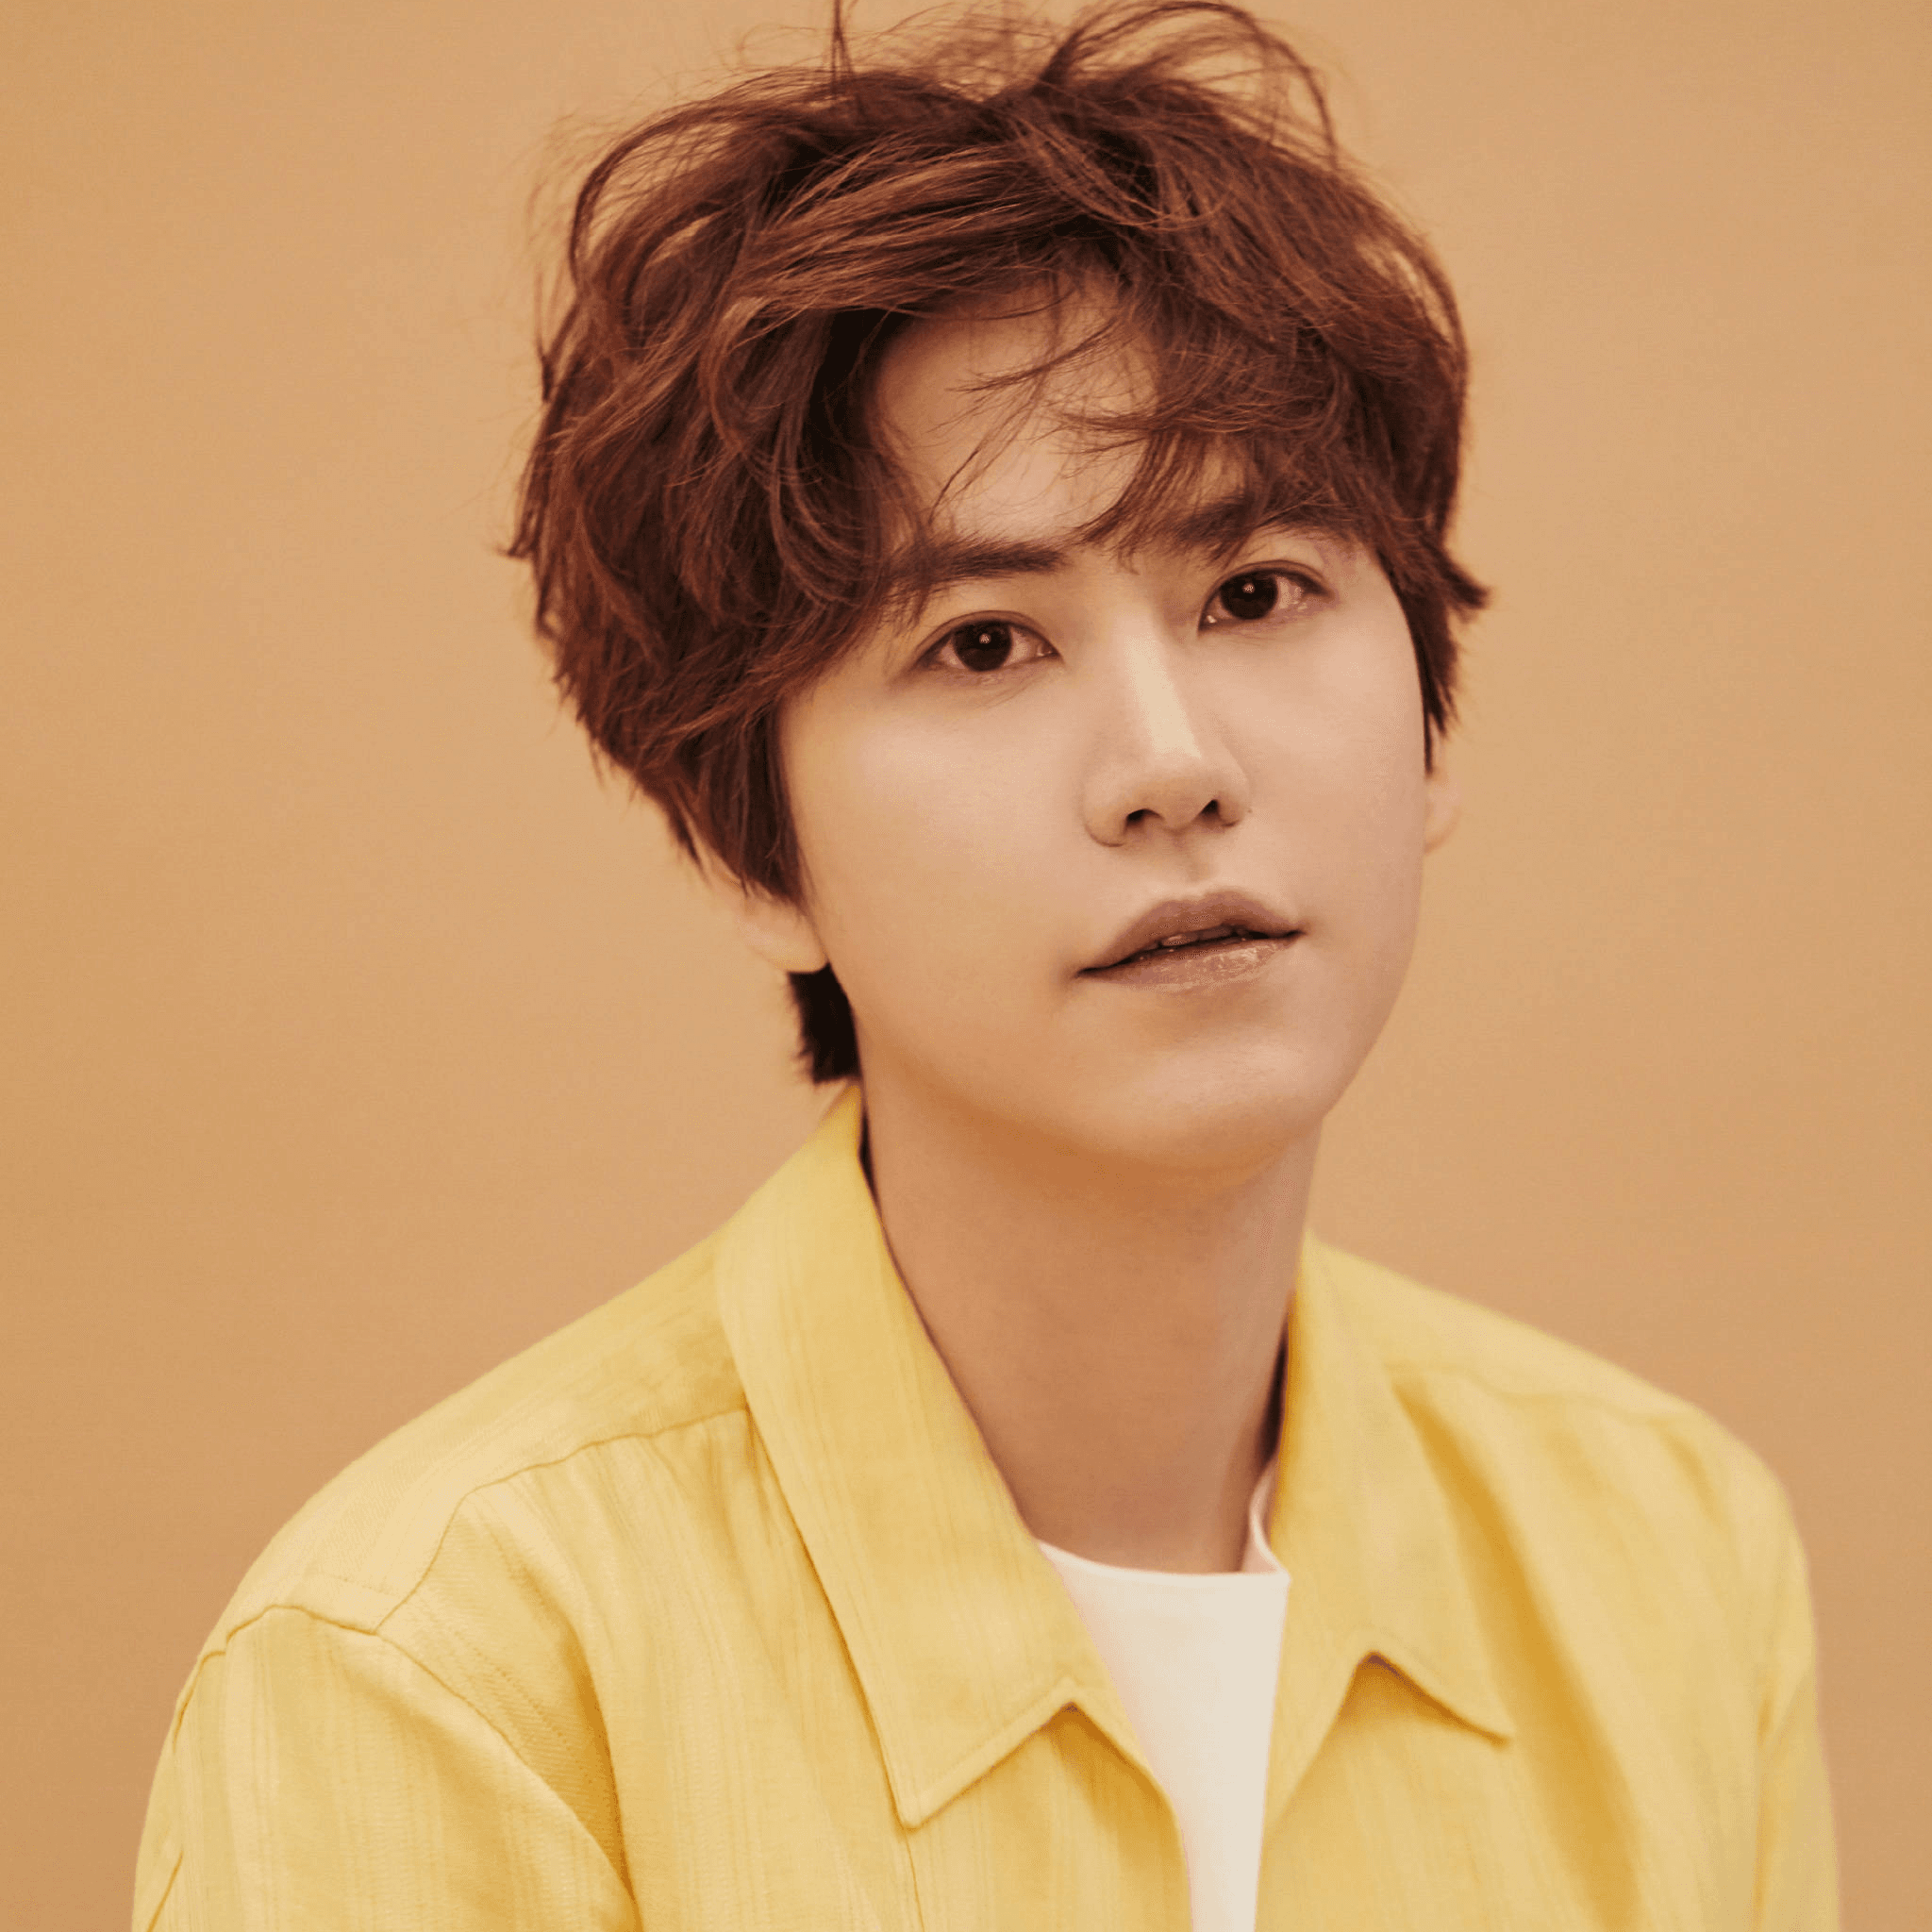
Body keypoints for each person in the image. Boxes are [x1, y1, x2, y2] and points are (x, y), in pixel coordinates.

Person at [132, 4, 1838, 1926]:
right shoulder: (439, 1674)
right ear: (746, 845)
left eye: (1254, 591)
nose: (1173, 764)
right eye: (983, 645)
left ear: (1434, 722)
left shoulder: (1668, 1558)